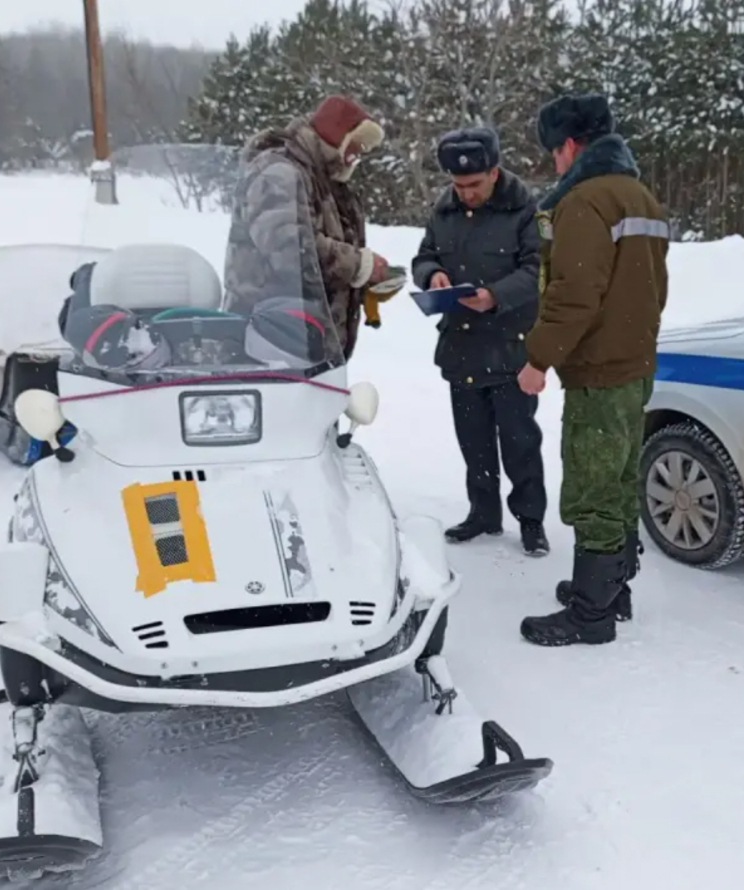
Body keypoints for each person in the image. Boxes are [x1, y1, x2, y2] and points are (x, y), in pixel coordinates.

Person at [515, 93, 669, 647]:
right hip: (634, 365)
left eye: (554, 152)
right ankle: (613, 587)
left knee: (593, 485)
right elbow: (653, 288)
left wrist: (538, 359)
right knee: (622, 477)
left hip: (600, 373)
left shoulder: (584, 202)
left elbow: (573, 294)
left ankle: (591, 614)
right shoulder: (641, 197)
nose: (553, 164)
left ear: (572, 146)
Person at [410, 127, 550, 556]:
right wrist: (431, 274)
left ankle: (530, 521)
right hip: (462, 346)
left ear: (494, 172)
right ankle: (483, 513)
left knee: (519, 442)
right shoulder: (444, 210)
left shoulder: (527, 211)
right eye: (458, 185)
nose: (465, 193)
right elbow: (424, 254)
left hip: (510, 346)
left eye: (473, 184)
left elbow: (538, 270)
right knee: (473, 441)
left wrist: (495, 296)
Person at [223, 94, 395, 361]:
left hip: (306, 342)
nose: (356, 157)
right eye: (355, 147)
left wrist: (367, 283)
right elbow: (289, 250)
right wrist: (360, 266)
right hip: (267, 342)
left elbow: (325, 264)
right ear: (338, 138)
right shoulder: (278, 172)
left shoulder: (329, 182)